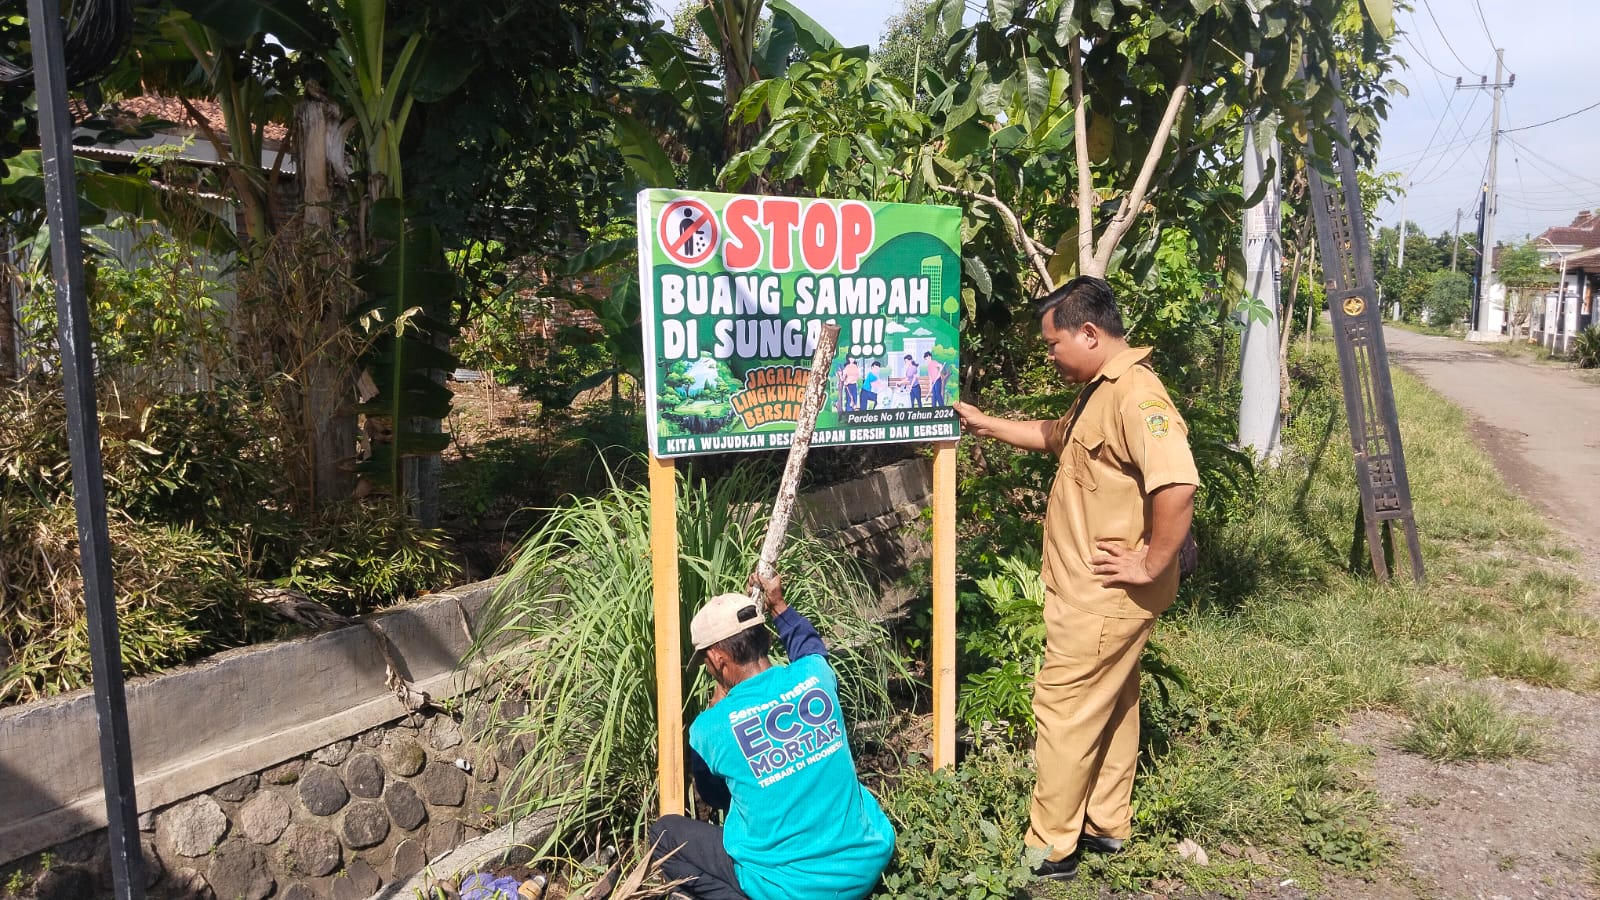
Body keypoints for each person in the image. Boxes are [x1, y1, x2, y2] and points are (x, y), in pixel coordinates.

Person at [953, 276, 1198, 882]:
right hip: (1099, 598)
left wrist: (1149, 561)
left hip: (1103, 597)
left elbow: (1177, 484)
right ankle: (1106, 821)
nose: (1050, 355)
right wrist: (986, 423)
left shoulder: (1136, 396)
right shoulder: (1100, 390)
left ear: (1088, 333)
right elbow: (1055, 437)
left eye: (1053, 343)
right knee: (1112, 703)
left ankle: (1051, 847)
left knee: (1063, 709)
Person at [649, 572, 895, 900]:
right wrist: (778, 604)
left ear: (717, 658)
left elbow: (717, 798)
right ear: (763, 636)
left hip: (795, 890)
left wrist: (716, 712)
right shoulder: (816, 675)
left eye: (706, 661)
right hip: (866, 862)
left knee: (664, 835)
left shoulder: (709, 729)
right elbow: (808, 645)